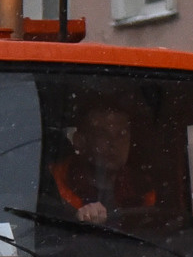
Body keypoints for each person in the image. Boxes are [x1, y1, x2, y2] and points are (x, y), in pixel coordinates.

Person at [45, 96, 166, 224]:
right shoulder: (52, 184)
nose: (113, 143)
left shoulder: (142, 189)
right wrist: (75, 219)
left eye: (122, 134)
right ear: (79, 141)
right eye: (102, 134)